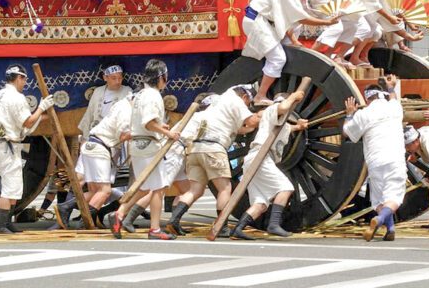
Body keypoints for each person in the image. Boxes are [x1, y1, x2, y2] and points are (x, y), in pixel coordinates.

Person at [242, 0, 337, 105]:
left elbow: (289, 18)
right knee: (278, 58)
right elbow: (301, 17)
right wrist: (327, 22)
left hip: (265, 22)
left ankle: (287, 47)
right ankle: (260, 96)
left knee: (293, 31)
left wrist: (293, 40)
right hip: (257, 22)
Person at [166, 84, 259, 236]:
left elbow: (241, 128)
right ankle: (221, 225)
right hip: (214, 149)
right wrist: (267, 114)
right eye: (248, 103)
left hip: (196, 149)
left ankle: (174, 219)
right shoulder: (235, 101)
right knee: (225, 188)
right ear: (245, 97)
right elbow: (251, 122)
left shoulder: (217, 103)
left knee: (195, 189)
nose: (247, 106)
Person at [111, 59, 180, 240]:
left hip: (138, 145)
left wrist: (163, 129)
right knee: (158, 188)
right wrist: (168, 133)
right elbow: (148, 123)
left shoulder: (141, 94)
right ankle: (155, 229)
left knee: (143, 188)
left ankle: (119, 213)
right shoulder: (152, 95)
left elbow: (148, 122)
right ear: (161, 78)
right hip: (149, 146)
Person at [230, 89, 309, 240]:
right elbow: (282, 108)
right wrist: (294, 96)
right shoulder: (272, 110)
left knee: (261, 203)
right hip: (261, 157)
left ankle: (238, 228)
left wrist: (299, 126)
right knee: (286, 188)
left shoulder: (281, 123)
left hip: (256, 160)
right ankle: (274, 224)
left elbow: (289, 128)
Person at [0, 64, 54, 233]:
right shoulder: (16, 97)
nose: (25, 83)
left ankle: (7, 223)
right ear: (19, 78)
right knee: (9, 188)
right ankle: (1, 225)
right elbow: (28, 122)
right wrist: (41, 107)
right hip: (7, 145)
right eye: (24, 79)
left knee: (14, 186)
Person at [343, 78, 407, 242]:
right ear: (381, 96)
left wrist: (350, 114)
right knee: (394, 197)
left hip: (375, 161)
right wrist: (391, 87)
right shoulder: (394, 107)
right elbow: (393, 97)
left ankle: (390, 229)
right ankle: (379, 220)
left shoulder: (363, 114)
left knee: (379, 199)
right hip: (395, 158)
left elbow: (347, 133)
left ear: (366, 99)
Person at [63, 92, 133, 229]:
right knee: (105, 191)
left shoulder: (121, 105)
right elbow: (123, 135)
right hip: (99, 148)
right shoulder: (126, 109)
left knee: (96, 191)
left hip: (94, 146)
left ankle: (66, 206)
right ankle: (84, 223)